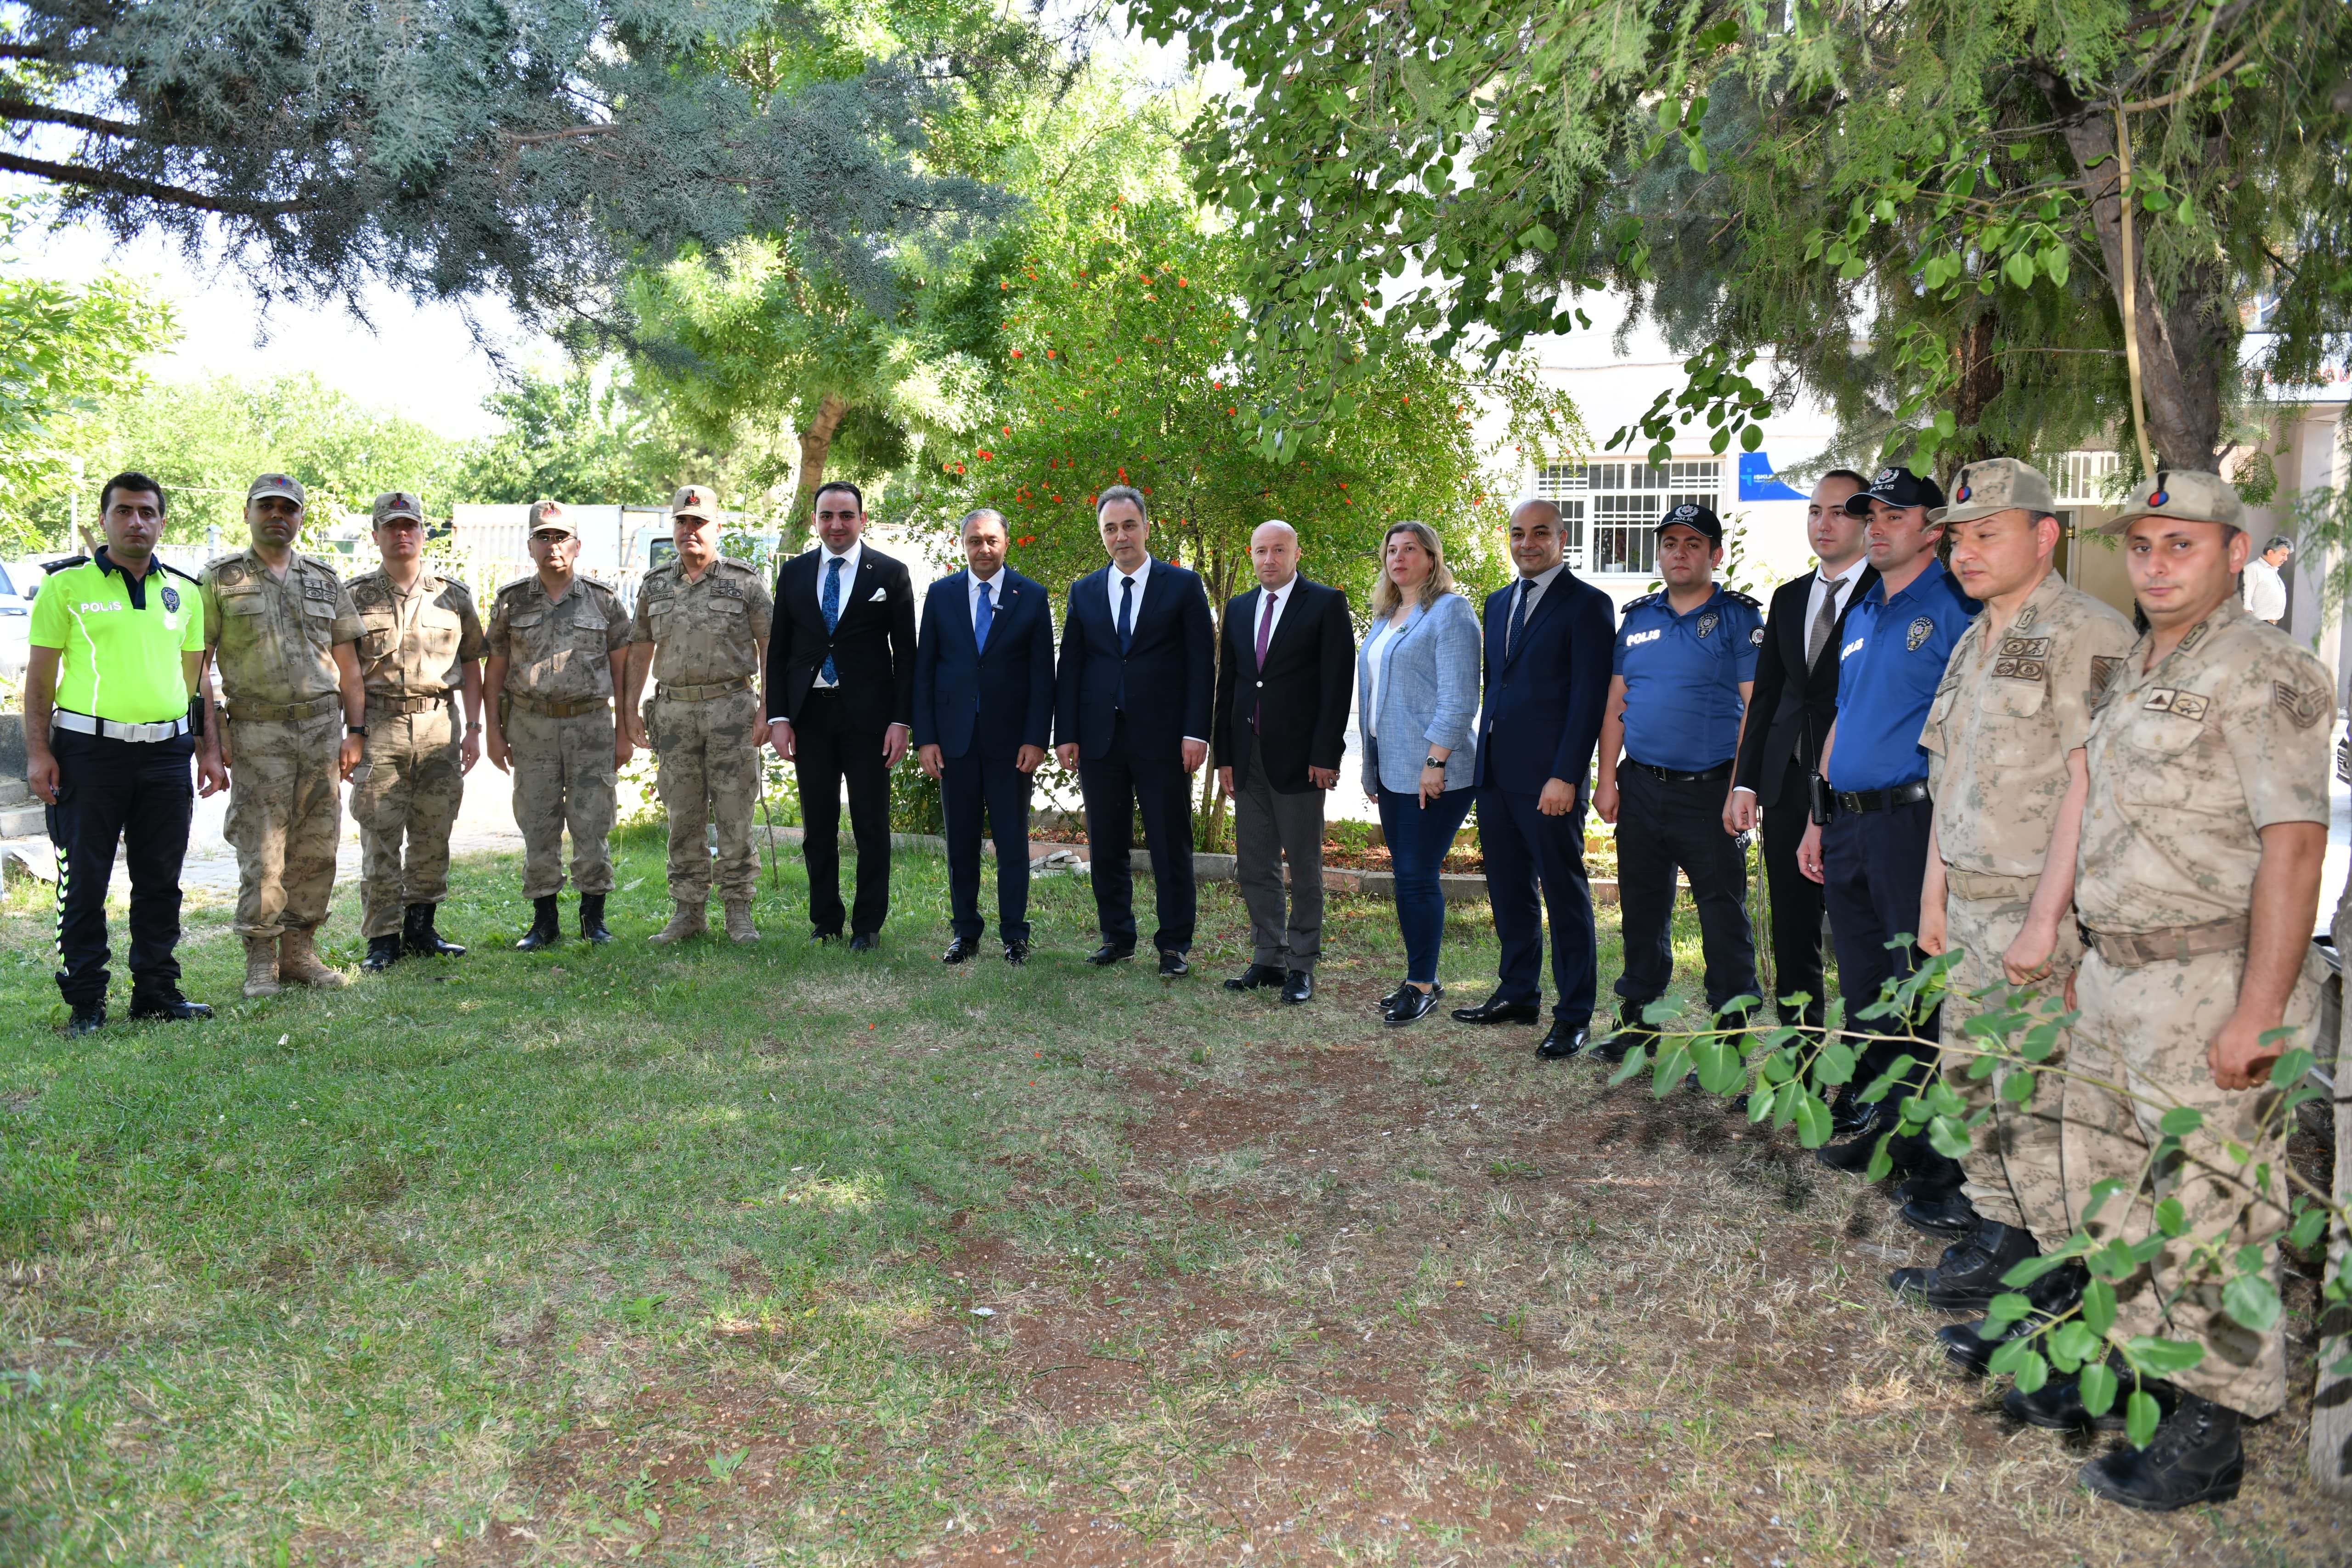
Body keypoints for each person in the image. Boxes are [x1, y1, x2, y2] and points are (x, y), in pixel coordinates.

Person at [2027, 471, 2330, 1511]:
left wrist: (2257, 1010)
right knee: (2112, 1191)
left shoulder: (2265, 669)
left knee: (2210, 1208)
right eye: (2143, 545)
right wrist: (2078, 952)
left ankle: (2211, 1429)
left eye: (2180, 545)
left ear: (2233, 552)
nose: (2155, 564)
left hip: (2209, 978)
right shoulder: (2134, 664)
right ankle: (2149, 1380)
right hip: (2118, 972)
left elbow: (2292, 846)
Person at [1888, 460, 2133, 1330]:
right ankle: (2001, 1234)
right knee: (1975, 1082)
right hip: (1972, 898)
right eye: (1958, 536)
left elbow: (2088, 784)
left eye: (1988, 533)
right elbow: (1946, 774)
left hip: (2040, 903)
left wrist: (2046, 920)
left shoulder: (2088, 632)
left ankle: (2063, 1275)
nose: (1966, 552)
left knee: (2038, 1094)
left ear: (2045, 534)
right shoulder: (1973, 636)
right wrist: (1932, 898)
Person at [1795, 464, 1975, 1180]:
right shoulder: (1863, 612)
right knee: (1868, 987)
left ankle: (1931, 1151)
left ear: (1932, 530)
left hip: (1912, 824)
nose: (1876, 526)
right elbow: (1844, 717)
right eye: (1871, 514)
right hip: (1848, 825)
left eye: (1894, 515)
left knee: (1920, 985)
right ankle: (1887, 1125)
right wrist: (1818, 815)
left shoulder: (1955, 608)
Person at [21, 471, 219, 1031]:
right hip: (88, 755)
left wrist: (206, 751)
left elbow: (197, 686)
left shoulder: (185, 592)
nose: (137, 522)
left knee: (160, 878)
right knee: (84, 879)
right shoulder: (66, 587)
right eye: (125, 511)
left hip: (164, 756)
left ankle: (157, 991)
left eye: (148, 512)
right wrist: (39, 753)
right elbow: (39, 681)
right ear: (105, 518)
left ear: (161, 521)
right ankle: (86, 1000)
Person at [1590, 503, 1763, 1060]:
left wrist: (1742, 787)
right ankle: (1637, 1025)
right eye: (1670, 543)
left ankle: (1729, 1036)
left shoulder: (1738, 619)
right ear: (1659, 552)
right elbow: (1616, 701)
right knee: (1641, 909)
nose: (1680, 552)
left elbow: (1753, 709)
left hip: (1709, 791)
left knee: (1720, 914)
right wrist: (1606, 779)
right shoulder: (1637, 618)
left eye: (1693, 543)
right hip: (1639, 785)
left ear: (1715, 554)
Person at [1455, 498, 1616, 1058]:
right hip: (1496, 775)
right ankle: (1517, 991)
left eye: (1539, 533)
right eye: (1518, 533)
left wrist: (1566, 774)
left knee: (1564, 896)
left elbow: (1588, 698)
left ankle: (1573, 1014)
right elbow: (1494, 687)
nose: (1527, 543)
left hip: (1549, 780)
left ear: (1562, 538)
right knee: (1508, 891)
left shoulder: (1588, 605)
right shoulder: (1497, 602)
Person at [198, 474, 366, 998]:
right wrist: (211, 740)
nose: (278, 515)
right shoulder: (220, 579)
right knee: (263, 849)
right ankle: (260, 959)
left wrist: (355, 732)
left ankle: (299, 953)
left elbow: (350, 668)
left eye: (288, 508)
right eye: (267, 506)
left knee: (317, 846)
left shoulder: (323, 578)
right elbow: (198, 667)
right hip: (257, 731)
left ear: (299, 517)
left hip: (320, 729)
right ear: (248, 513)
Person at [1727, 470, 1876, 1035]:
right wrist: (1745, 782)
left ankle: (1866, 1079)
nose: (1823, 522)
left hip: (1856, 785)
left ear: (1866, 522)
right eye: (1814, 511)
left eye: (1839, 511)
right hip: (1789, 785)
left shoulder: (1882, 594)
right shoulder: (1788, 597)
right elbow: (1765, 697)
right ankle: (1800, 1064)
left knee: (1862, 938)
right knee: (1792, 934)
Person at [1054, 486, 1216, 976]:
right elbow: (1073, 665)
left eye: (1128, 525)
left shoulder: (1183, 586)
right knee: (1105, 842)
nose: (1120, 536)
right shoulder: (1083, 591)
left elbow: (1200, 665)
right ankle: (1117, 937)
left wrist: (1196, 732)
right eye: (1110, 528)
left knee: (1170, 842)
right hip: (1100, 737)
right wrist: (1066, 732)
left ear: (1147, 527)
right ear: (1101, 534)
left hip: (1164, 738)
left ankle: (1174, 945)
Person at [764, 481, 917, 950]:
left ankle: (867, 925)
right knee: (818, 826)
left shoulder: (889, 574)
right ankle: (825, 920)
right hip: (810, 717)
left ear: (862, 520)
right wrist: (778, 717)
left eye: (846, 515)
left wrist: (901, 721)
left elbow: (906, 656)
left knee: (871, 824)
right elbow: (779, 650)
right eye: (827, 515)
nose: (836, 524)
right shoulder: (792, 573)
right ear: (815, 520)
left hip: (869, 722)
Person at [623, 485, 774, 945]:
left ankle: (738, 911)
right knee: (682, 815)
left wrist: (769, 707)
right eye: (682, 522)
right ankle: (688, 910)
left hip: (732, 710)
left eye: (699, 522)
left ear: (716, 528)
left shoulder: (745, 582)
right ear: (673, 527)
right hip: (673, 713)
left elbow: (771, 644)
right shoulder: (655, 584)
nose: (690, 531)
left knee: (735, 813)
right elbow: (640, 649)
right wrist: (629, 710)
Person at [1212, 521, 1354, 1004]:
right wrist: (1224, 756)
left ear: (1296, 553)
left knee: (1304, 864)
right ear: (1250, 555)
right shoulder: (1237, 608)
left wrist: (1324, 754)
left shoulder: (1324, 603)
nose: (1268, 559)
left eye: (1278, 550)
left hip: (1300, 759)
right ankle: (1267, 957)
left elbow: (1337, 686)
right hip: (1245, 756)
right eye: (1259, 551)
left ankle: (1302, 964)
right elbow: (1229, 686)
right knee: (1254, 861)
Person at [483, 501, 634, 949]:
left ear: (577, 545)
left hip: (590, 725)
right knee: (538, 821)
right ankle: (544, 920)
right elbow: (495, 670)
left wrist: (624, 731)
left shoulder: (603, 600)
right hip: (531, 727)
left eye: (562, 536)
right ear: (530, 545)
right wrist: (492, 731)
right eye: (544, 536)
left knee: (593, 820)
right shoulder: (512, 601)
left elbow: (623, 672)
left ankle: (594, 917)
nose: (554, 545)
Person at [346, 492, 486, 972]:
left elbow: (471, 663)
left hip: (439, 725)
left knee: (433, 830)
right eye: (391, 526)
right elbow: (341, 670)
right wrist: (352, 732)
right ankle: (382, 937)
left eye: (410, 526)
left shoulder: (454, 594)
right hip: (379, 726)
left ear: (424, 533)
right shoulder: (355, 596)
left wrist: (474, 728)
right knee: (379, 833)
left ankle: (422, 926)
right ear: (376, 535)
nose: (402, 534)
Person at [913, 507, 1054, 964]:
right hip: (954, 742)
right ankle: (965, 932)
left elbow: (1042, 677)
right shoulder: (941, 595)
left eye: (991, 539)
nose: (983, 548)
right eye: (975, 540)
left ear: (1006, 542)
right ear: (963, 544)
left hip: (1011, 745)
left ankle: (1015, 933)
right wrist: (926, 738)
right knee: (961, 843)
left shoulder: (1031, 597)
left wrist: (1036, 738)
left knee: (1012, 842)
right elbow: (925, 672)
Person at [1356, 521, 1482, 1024]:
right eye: (1391, 549)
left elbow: (1458, 696)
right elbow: (1373, 697)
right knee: (1407, 876)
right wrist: (1373, 766)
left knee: (1415, 876)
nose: (1399, 556)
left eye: (1411, 549)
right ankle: (1420, 975)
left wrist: (1435, 761)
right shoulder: (1385, 615)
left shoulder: (1450, 612)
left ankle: (1421, 984)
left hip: (1437, 770)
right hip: (1393, 769)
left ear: (1431, 558)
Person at [2240, 534, 2291, 625]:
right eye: (2283, 555)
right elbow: (2245, 600)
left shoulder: (2273, 572)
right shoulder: (2253, 569)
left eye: (2287, 555)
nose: (2286, 559)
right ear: (2270, 553)